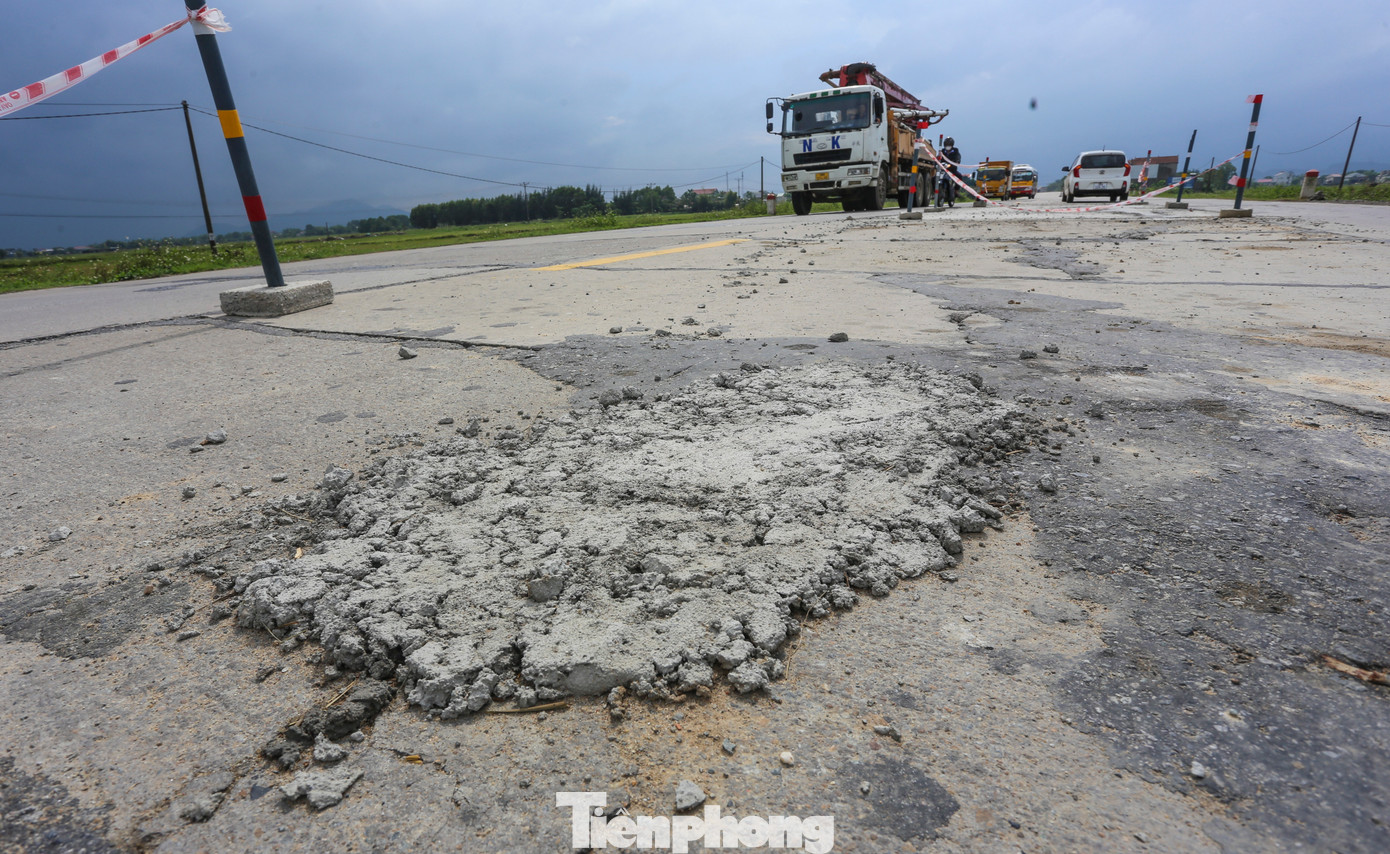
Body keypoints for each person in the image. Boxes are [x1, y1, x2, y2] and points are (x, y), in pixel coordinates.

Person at [939, 137, 962, 207]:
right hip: (943, 170)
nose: (947, 146)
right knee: (934, 178)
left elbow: (958, 157)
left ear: (952, 144)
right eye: (946, 144)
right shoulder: (942, 151)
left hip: (952, 170)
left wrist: (957, 161)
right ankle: (937, 192)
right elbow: (938, 158)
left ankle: (956, 191)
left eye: (949, 144)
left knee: (959, 176)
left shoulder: (955, 151)